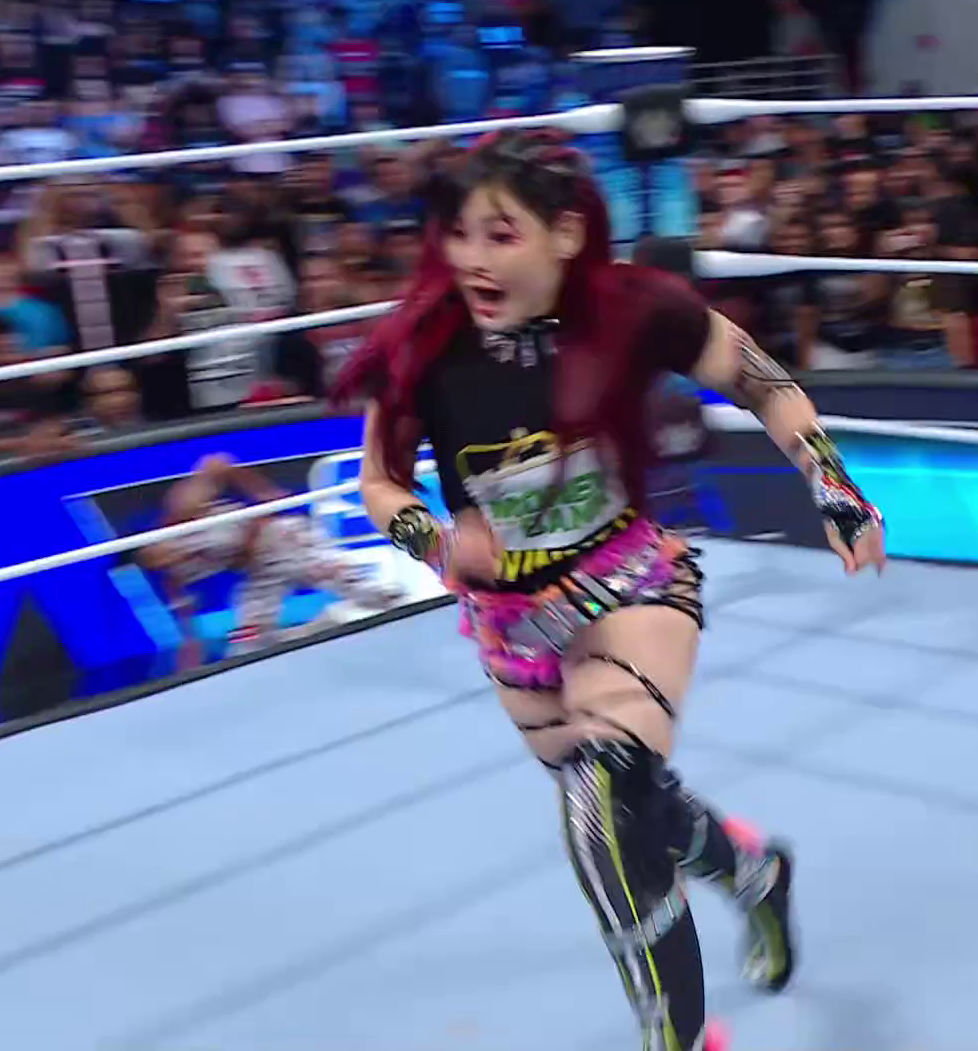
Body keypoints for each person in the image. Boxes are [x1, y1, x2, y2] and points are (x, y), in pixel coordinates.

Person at [331, 131, 886, 1051]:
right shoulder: (423, 340)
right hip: (510, 623)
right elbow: (381, 484)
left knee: (602, 803)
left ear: (564, 234)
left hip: (628, 581)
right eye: (458, 235)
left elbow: (760, 379)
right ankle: (754, 875)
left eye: (500, 235)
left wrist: (833, 485)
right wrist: (436, 543)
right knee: (635, 810)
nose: (472, 260)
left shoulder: (634, 307)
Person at [147, 453, 405, 666]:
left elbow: (218, 463)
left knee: (359, 586)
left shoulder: (181, 508)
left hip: (281, 539)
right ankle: (320, 629)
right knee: (248, 643)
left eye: (164, 553)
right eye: (163, 562)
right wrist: (190, 653)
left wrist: (264, 492)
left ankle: (403, 609)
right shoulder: (174, 575)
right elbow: (185, 618)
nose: (169, 559)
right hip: (259, 570)